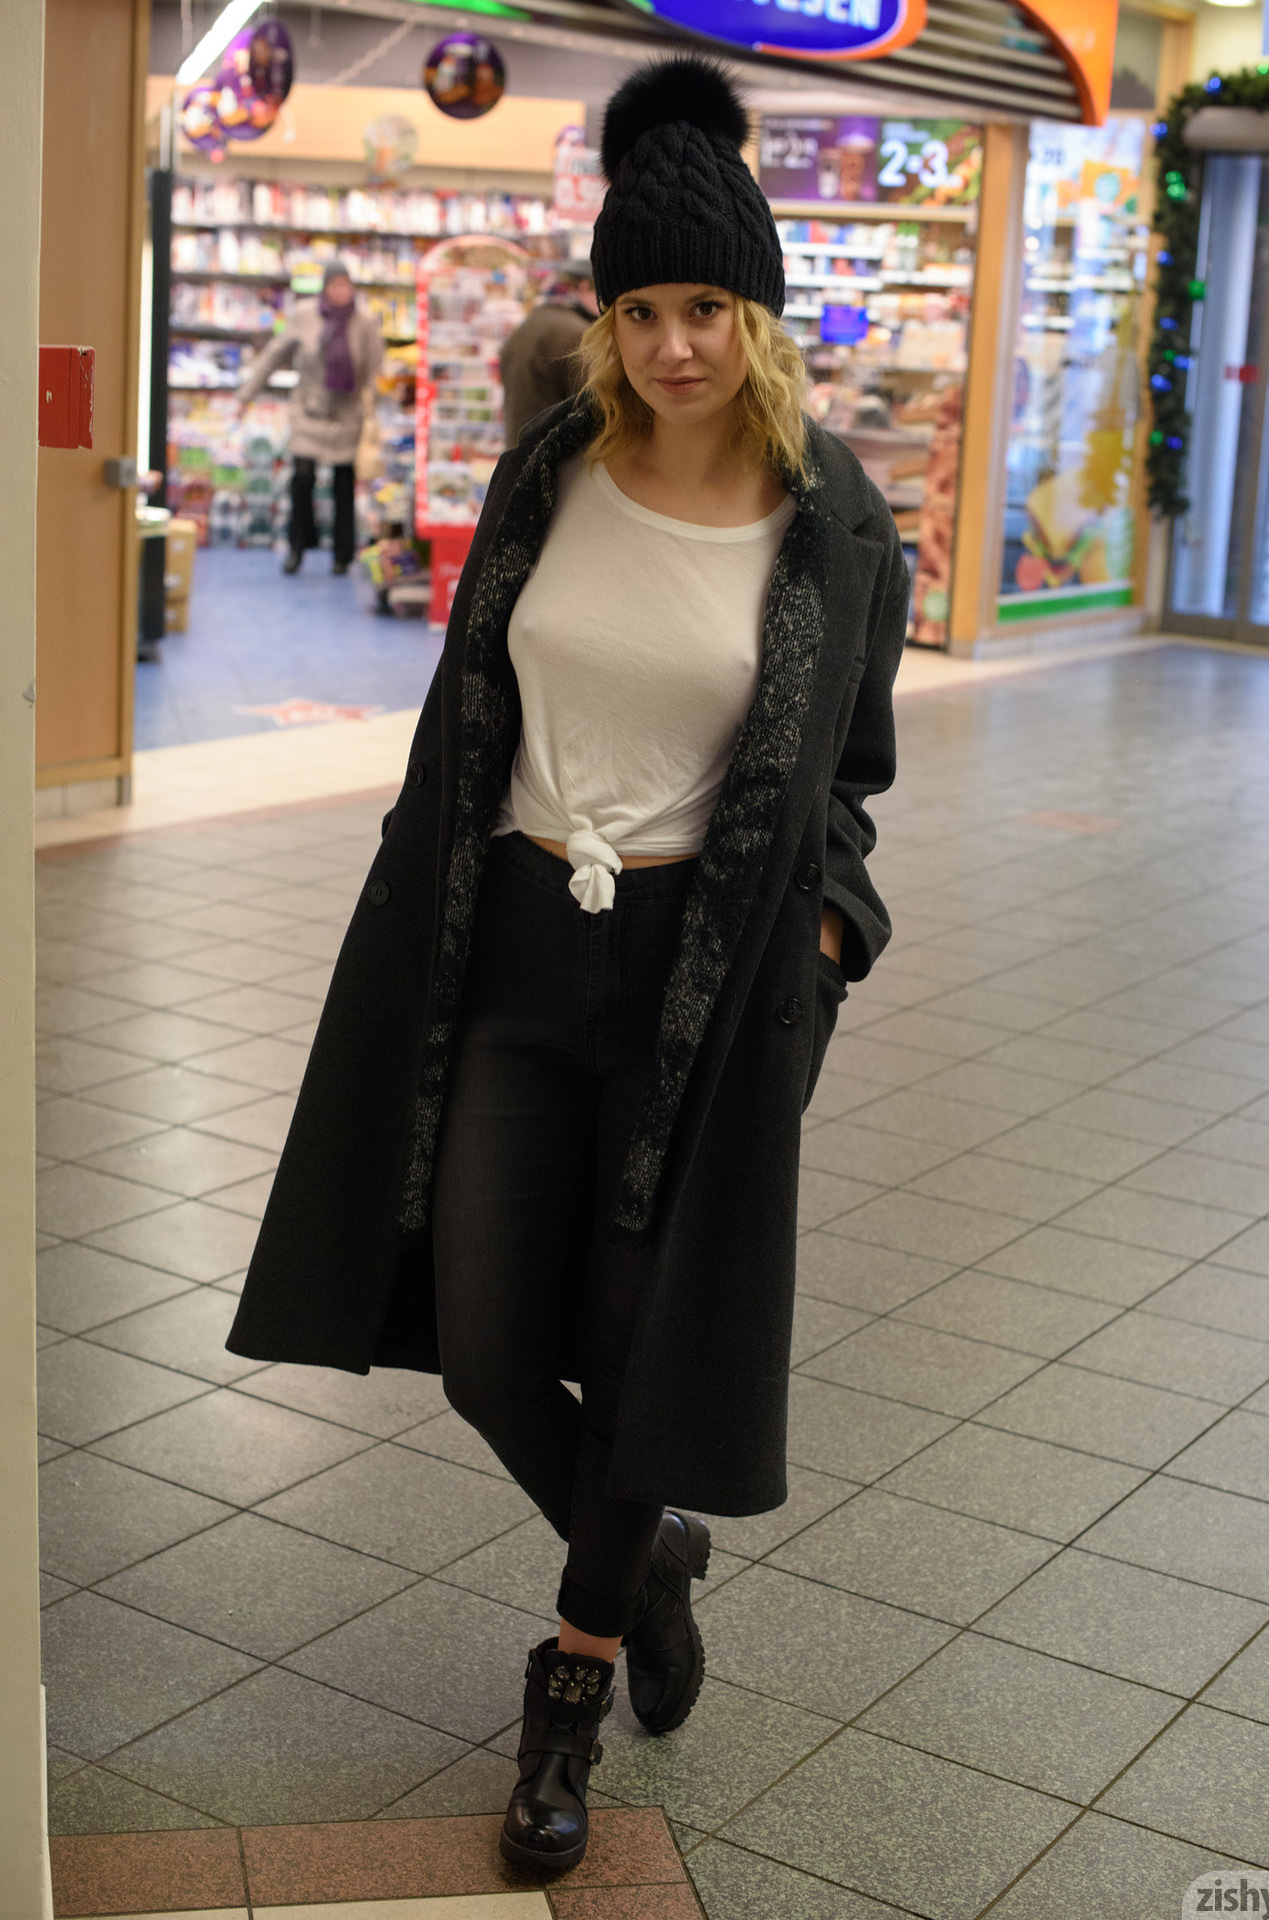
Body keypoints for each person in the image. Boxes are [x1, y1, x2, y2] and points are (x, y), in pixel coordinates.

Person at [226, 54, 908, 1876]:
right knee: (483, 1342)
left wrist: (824, 935)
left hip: (709, 977)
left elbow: (850, 770)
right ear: (602, 319)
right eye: (640, 310)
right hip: (514, 947)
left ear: (755, 318)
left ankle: (571, 1687)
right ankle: (650, 1546)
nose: (673, 346)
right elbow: (472, 705)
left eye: (705, 310)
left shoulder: (834, 521)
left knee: (647, 1342)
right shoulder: (550, 473)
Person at [238, 258, 383, 575]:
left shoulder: (364, 321)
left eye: (346, 285)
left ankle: (342, 556)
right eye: (335, 285)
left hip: (347, 416)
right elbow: (274, 355)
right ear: (325, 287)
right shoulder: (304, 315)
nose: (342, 291)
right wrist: (246, 395)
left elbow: (375, 369)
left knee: (344, 485)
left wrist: (377, 410)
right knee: (302, 480)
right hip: (309, 412)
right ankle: (297, 548)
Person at [499, 259, 598, 446]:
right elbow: (592, 410)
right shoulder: (577, 334)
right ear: (585, 287)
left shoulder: (530, 324)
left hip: (519, 451)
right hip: (553, 456)